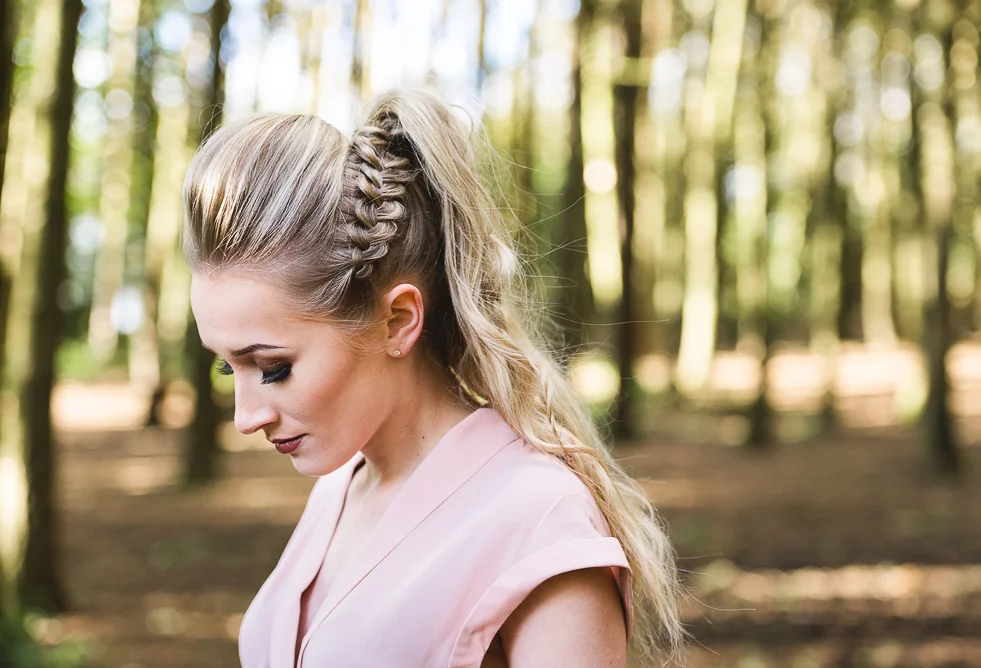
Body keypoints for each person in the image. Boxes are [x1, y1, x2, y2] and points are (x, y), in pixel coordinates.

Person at [183, 87, 686, 668]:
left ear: (397, 320)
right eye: (228, 366)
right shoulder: (339, 487)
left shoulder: (538, 517)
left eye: (273, 368)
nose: (246, 418)